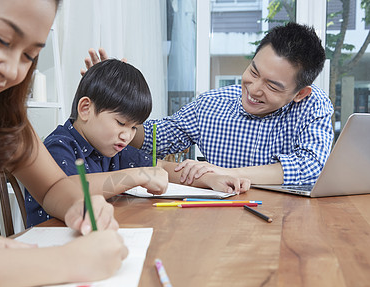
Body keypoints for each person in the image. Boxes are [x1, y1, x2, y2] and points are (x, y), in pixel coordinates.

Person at [0, 12, 128, 287]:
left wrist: (80, 205)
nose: (13, 71)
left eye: (29, 55)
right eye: (1, 38)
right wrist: (68, 262)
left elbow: (52, 186)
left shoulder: (1, 114)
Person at [27, 59, 251, 227]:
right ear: (85, 109)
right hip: (53, 245)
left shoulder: (111, 148)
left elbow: (160, 167)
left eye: (134, 127)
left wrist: (211, 179)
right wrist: (135, 176)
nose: (127, 135)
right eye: (121, 122)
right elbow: (67, 190)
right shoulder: (59, 145)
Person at [126, 22, 334, 186]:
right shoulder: (211, 104)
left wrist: (225, 172)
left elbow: (311, 166)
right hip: (220, 220)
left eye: (272, 87)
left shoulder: (312, 105)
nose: (254, 90)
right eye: (254, 72)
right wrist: (113, 105)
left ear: (300, 93)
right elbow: (155, 139)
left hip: (285, 221)